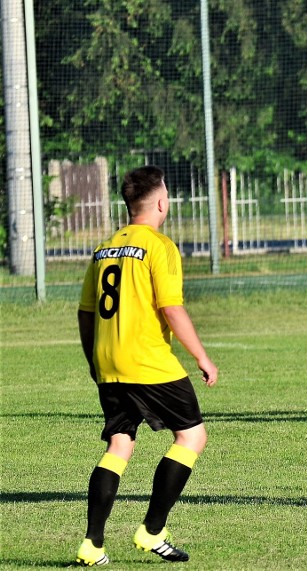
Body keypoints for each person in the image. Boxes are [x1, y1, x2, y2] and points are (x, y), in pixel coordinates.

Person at [75, 166, 218, 566]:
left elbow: (86, 314)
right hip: (149, 362)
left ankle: (92, 544)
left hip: (109, 363)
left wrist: (94, 361)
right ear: (160, 202)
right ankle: (152, 531)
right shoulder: (159, 245)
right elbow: (171, 308)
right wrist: (202, 358)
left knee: (120, 443)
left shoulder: (105, 248)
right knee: (192, 437)